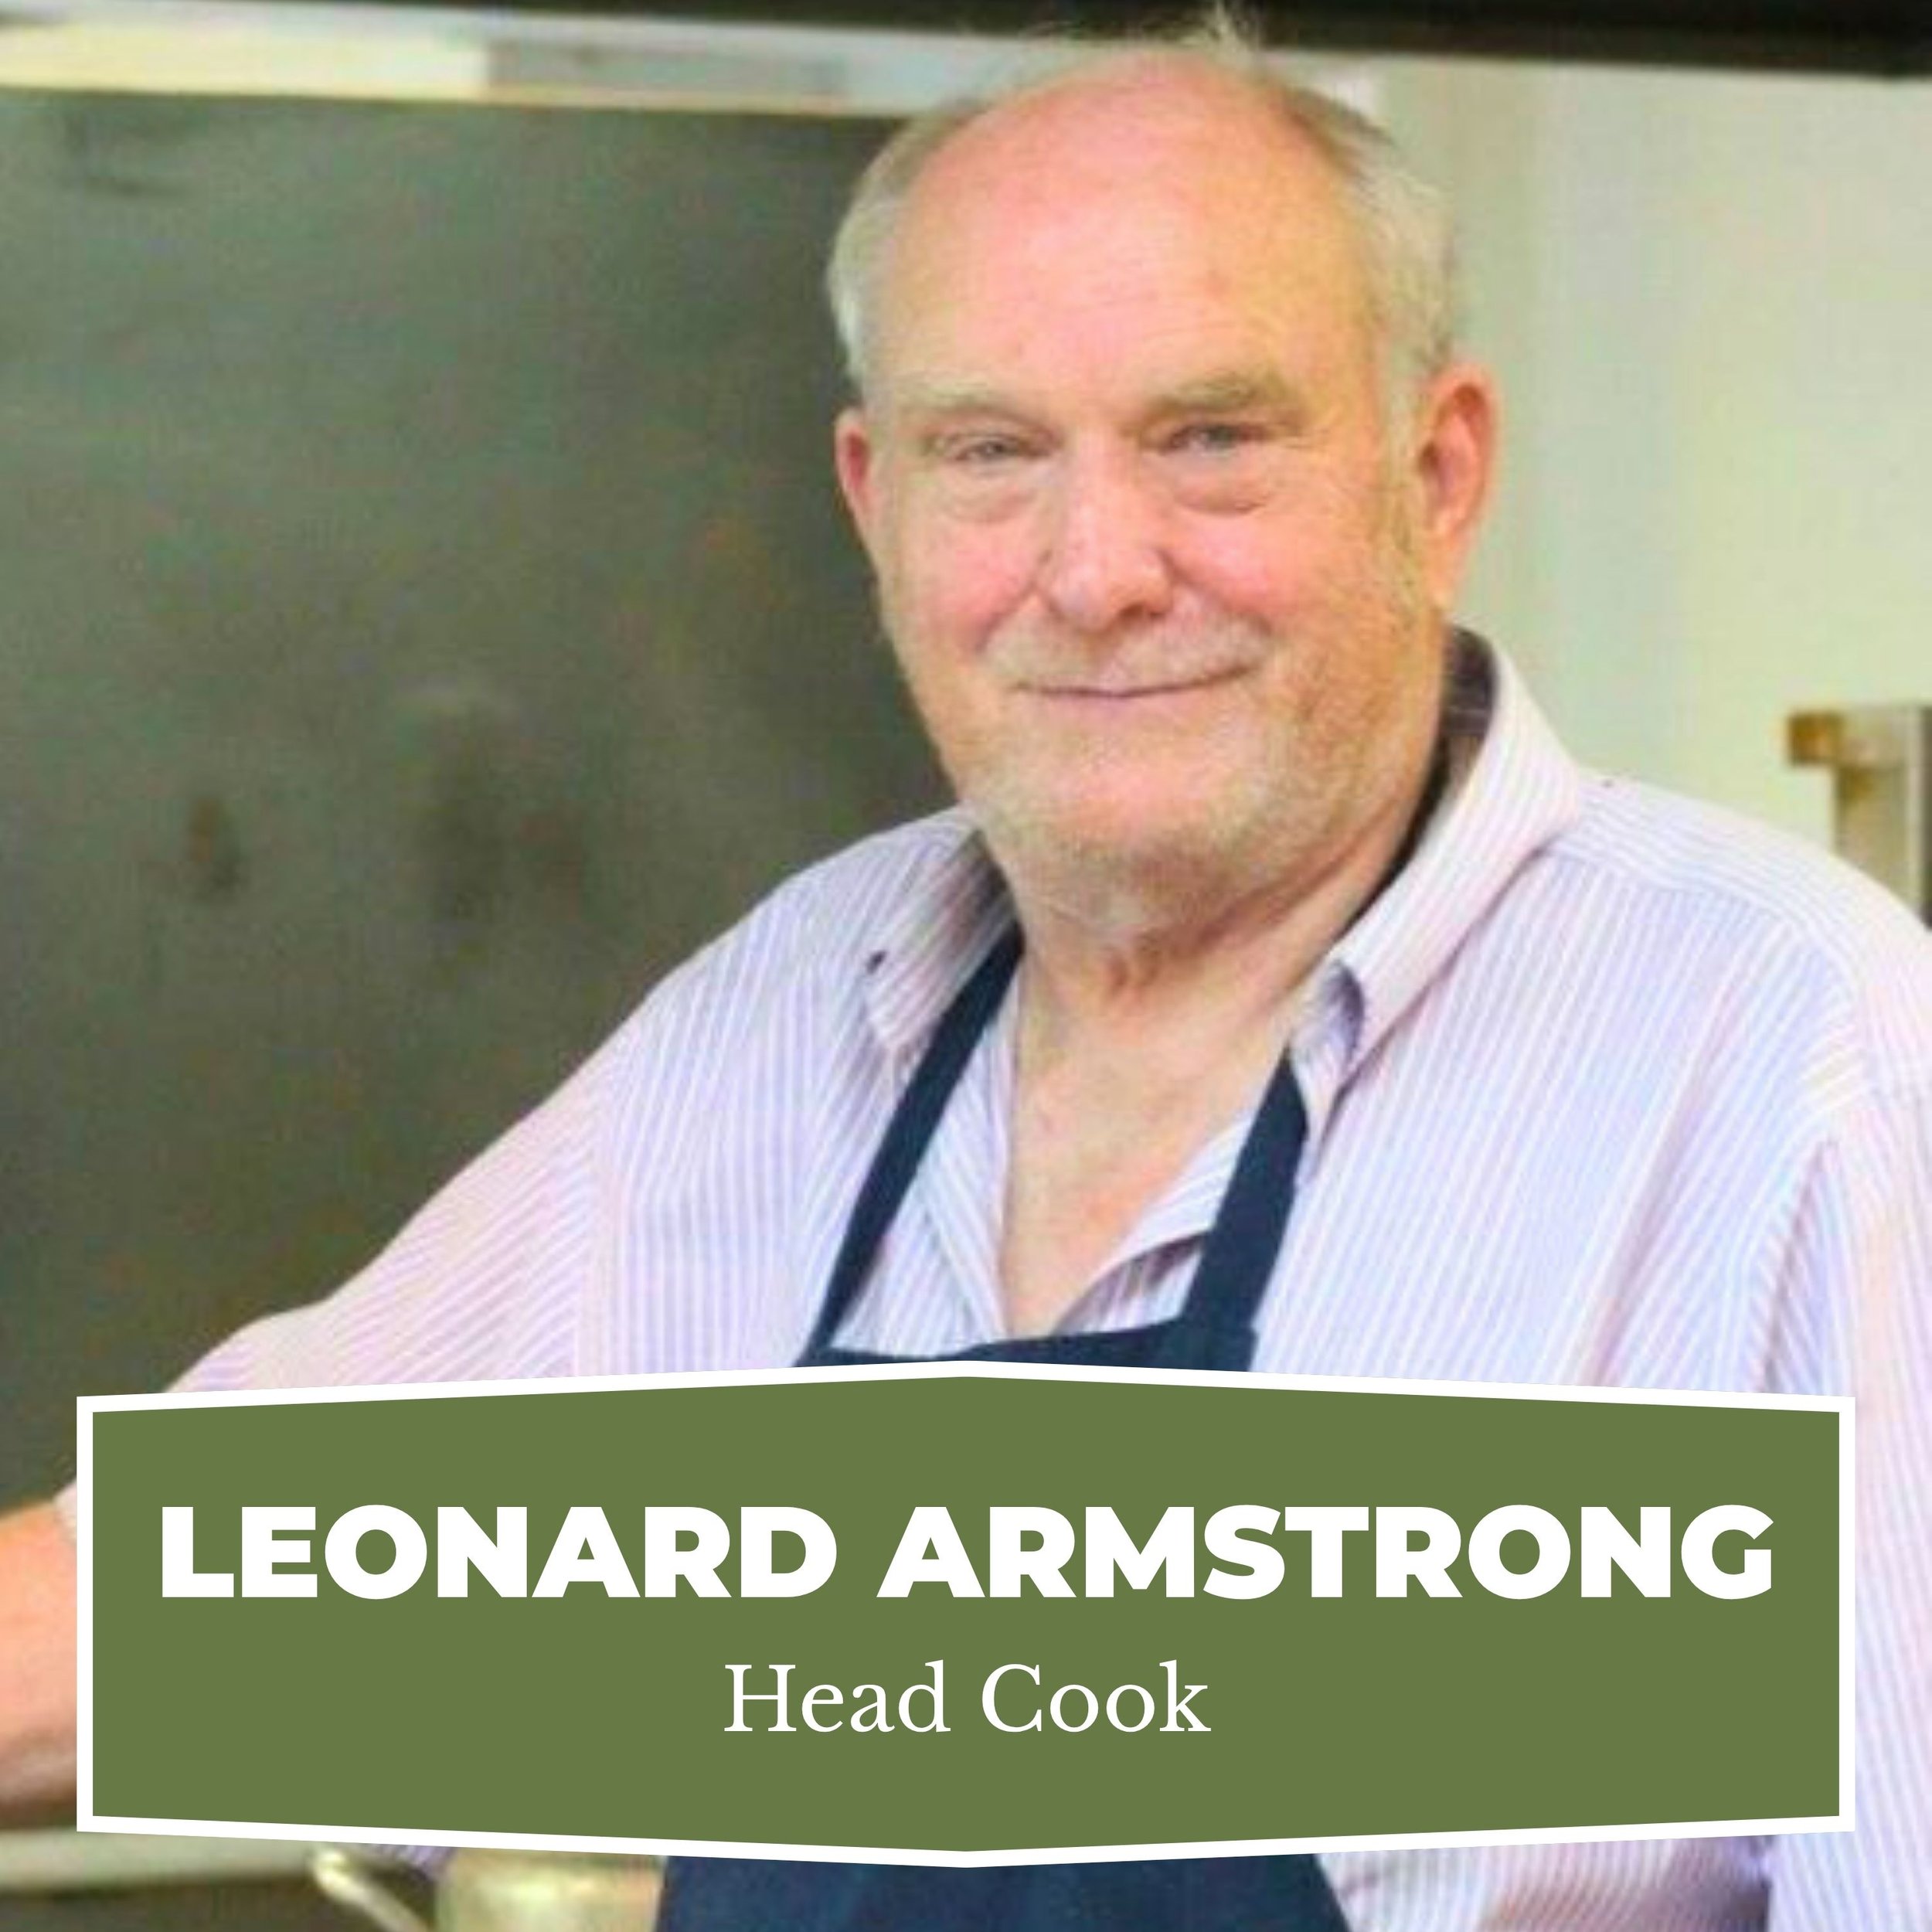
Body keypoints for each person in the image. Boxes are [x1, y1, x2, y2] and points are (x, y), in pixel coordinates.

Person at [3, 19, 1929, 1930]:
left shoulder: (1790, 1059)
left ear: (1433, 474)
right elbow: (170, 1613)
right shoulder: (789, 1015)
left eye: (1210, 439)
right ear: (873, 504)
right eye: (989, 454)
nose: (1094, 568)